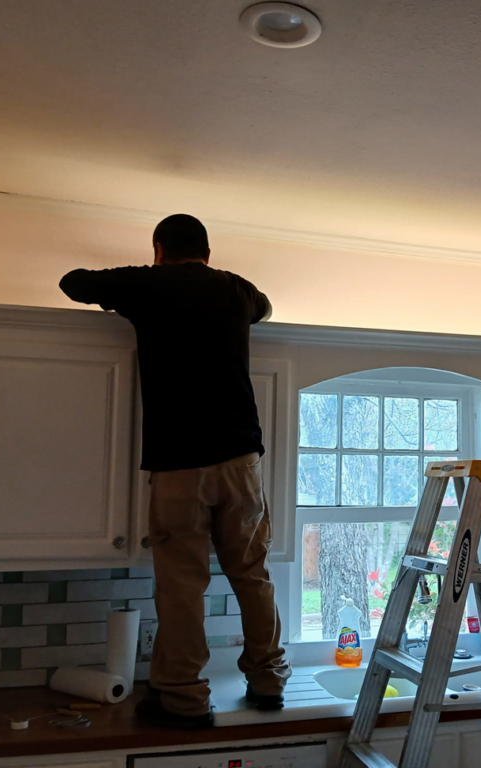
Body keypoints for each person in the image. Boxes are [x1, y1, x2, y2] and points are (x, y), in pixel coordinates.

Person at [59, 214, 290, 730]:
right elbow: (266, 306)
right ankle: (269, 682)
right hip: (242, 462)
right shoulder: (236, 289)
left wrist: (133, 281)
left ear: (160, 247)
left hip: (180, 463)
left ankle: (184, 698)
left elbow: (73, 283)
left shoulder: (147, 282)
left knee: (183, 583)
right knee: (253, 575)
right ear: (207, 252)